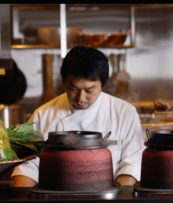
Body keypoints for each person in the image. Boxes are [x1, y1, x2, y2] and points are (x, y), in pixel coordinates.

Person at [12, 46, 145, 187]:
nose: (81, 98)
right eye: (73, 88)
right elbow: (28, 167)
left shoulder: (124, 112)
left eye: (89, 90)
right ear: (64, 82)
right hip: (55, 196)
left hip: (107, 195)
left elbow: (131, 165)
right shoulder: (43, 114)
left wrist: (116, 197)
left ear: (103, 84)